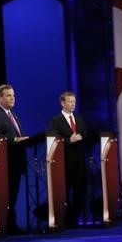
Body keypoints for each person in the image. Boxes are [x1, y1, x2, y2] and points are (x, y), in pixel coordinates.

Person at [0, 84, 29, 234]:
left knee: (13, 194)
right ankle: (2, 224)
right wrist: (15, 140)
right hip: (4, 161)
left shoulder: (12, 114)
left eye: (13, 95)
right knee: (5, 194)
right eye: (9, 95)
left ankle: (10, 223)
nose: (12, 98)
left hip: (15, 160)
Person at [46, 91, 88, 228]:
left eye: (74, 102)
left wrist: (83, 137)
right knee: (66, 193)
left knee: (81, 192)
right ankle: (66, 221)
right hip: (65, 163)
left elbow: (85, 134)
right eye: (70, 101)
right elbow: (53, 140)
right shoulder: (55, 121)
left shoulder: (80, 119)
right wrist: (69, 140)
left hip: (80, 162)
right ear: (62, 103)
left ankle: (74, 219)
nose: (73, 104)